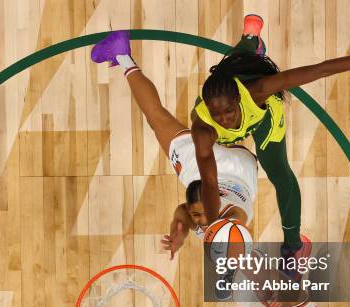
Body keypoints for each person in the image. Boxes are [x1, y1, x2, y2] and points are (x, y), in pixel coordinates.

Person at [91, 15, 350, 278]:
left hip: (260, 122)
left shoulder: (258, 90)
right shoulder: (203, 122)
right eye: (218, 112)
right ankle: (292, 247)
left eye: (228, 110)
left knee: (276, 171)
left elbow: (322, 69)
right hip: (227, 164)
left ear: (239, 96)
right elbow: (208, 182)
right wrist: (210, 218)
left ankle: (246, 42)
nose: (224, 118)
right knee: (167, 115)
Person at [90, 32, 258, 260]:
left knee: (224, 98)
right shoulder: (229, 222)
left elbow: (184, 211)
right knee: (156, 116)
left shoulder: (206, 217)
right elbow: (237, 240)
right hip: (230, 169)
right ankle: (122, 54)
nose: (199, 219)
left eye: (195, 214)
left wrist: (179, 228)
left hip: (242, 169)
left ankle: (250, 50)